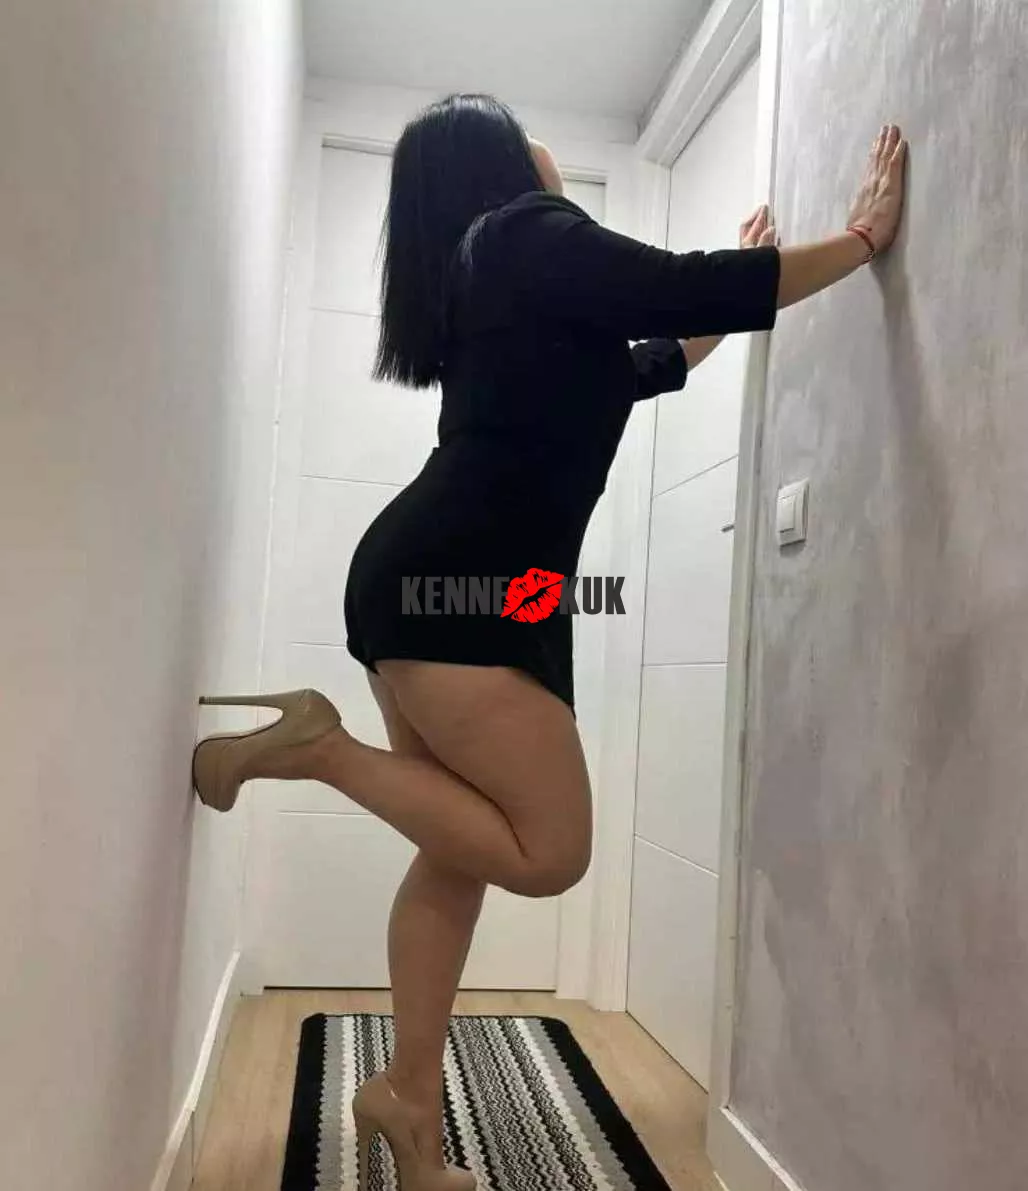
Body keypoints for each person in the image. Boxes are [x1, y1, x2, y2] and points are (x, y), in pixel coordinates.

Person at [192, 95, 907, 1191]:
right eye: (523, 131)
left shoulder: (503, 280)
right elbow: (689, 287)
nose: (544, 144)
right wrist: (857, 241)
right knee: (548, 852)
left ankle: (408, 1103)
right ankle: (319, 749)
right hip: (465, 586)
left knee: (459, 854)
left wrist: (737, 287)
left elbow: (660, 351)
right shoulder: (524, 232)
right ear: (499, 163)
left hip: (439, 578)